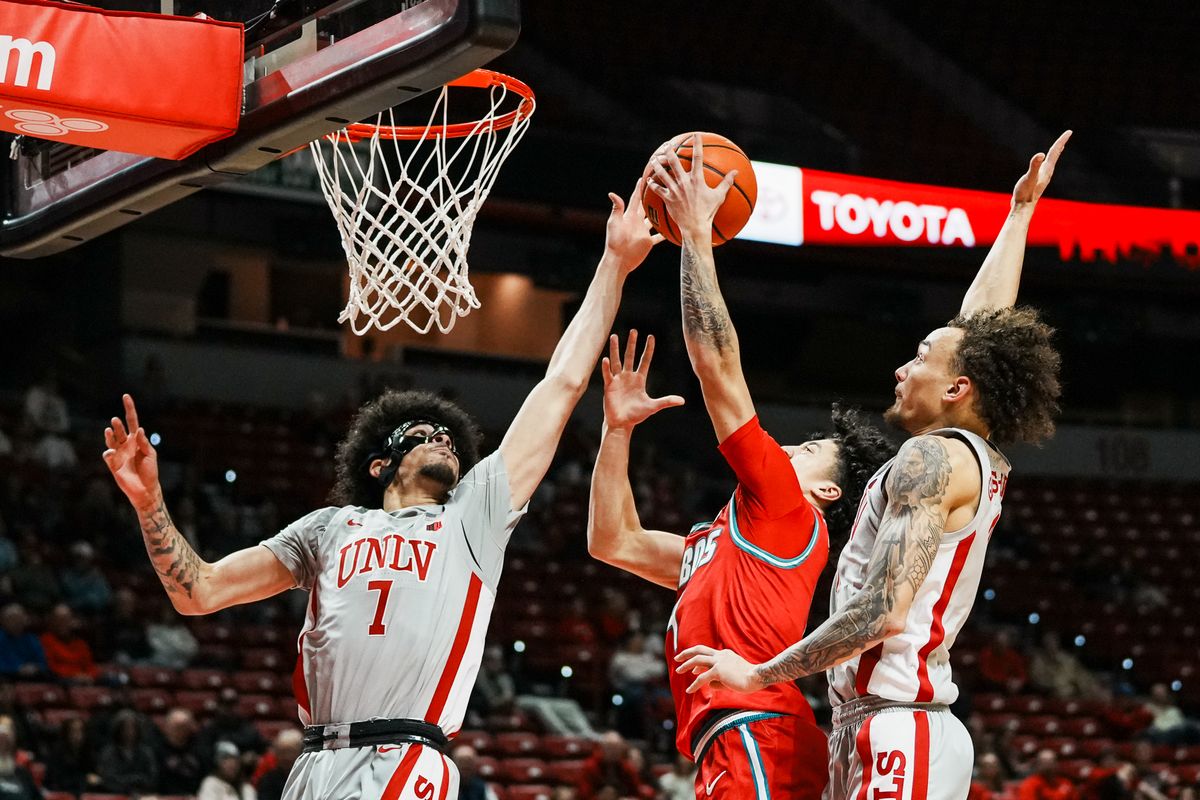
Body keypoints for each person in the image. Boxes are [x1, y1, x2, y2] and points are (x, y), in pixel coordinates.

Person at [101, 180, 662, 800]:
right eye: (425, 433)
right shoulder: (327, 529)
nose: (445, 440)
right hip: (313, 765)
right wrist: (149, 502)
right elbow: (199, 592)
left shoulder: (470, 517)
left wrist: (614, 261)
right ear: (379, 465)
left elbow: (561, 384)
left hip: (405, 756)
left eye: (452, 437)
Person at [672, 132, 1071, 800]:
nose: (900, 367)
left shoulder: (933, 458)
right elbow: (978, 335)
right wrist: (1019, 215)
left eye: (918, 356)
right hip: (878, 728)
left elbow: (883, 613)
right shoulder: (959, 448)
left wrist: (759, 674)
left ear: (955, 390)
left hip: (900, 729)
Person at [588, 150, 893, 797]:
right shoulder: (719, 545)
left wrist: (697, 234)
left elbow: (720, 371)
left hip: (758, 732)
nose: (788, 446)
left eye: (808, 448)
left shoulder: (788, 510)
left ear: (826, 490)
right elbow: (612, 540)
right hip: (734, 739)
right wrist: (616, 432)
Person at [97, 708, 159, 794]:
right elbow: (109, 781)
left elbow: (152, 779)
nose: (129, 732)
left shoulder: (146, 752)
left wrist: (127, 780)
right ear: (118, 729)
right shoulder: (108, 753)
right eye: (125, 728)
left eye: (132, 728)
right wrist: (136, 780)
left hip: (142, 795)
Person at [1029, 632, 1102, 699]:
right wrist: (1055, 686)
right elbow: (1037, 680)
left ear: (1057, 643)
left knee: (1096, 691)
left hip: (1074, 692)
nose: (1050, 645)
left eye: (1053, 641)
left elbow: (1081, 675)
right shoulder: (1038, 660)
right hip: (1052, 693)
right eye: (1047, 642)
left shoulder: (1068, 659)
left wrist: (1091, 687)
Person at [40, 603, 99, 683]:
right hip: (62, 680)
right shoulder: (46, 640)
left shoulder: (80, 643)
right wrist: (75, 675)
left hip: (83, 679)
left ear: (72, 621)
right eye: (59, 620)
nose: (63, 623)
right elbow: (51, 667)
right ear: (52, 621)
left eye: (66, 619)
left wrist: (89, 676)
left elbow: (90, 666)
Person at [43, 716, 103, 794]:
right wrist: (85, 779)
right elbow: (58, 781)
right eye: (74, 731)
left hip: (85, 792)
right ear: (66, 733)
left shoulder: (88, 751)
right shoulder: (57, 753)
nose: (78, 735)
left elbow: (95, 774)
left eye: (81, 731)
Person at [157, 707, 205, 795]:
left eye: (184, 726)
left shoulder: (199, 748)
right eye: (176, 726)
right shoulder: (157, 750)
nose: (180, 731)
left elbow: (205, 777)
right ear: (167, 727)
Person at [0, 604, 47, 679]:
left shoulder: (32, 638)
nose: (17, 622)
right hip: (7, 678)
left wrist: (35, 667)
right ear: (2, 621)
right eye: (11, 619)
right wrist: (18, 669)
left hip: (32, 678)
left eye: (19, 618)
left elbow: (43, 663)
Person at [257, 730, 304, 800]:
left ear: (300, 753)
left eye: (290, 751)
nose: (286, 757)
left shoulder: (308, 774)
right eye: (282, 752)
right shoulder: (269, 779)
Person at [979, 628, 1028, 694]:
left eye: (1003, 643)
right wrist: (1006, 681)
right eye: (998, 643)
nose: (1001, 646)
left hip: (1010, 686)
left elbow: (1022, 673)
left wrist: (1019, 681)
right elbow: (986, 674)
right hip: (992, 685)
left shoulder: (1013, 655)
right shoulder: (986, 653)